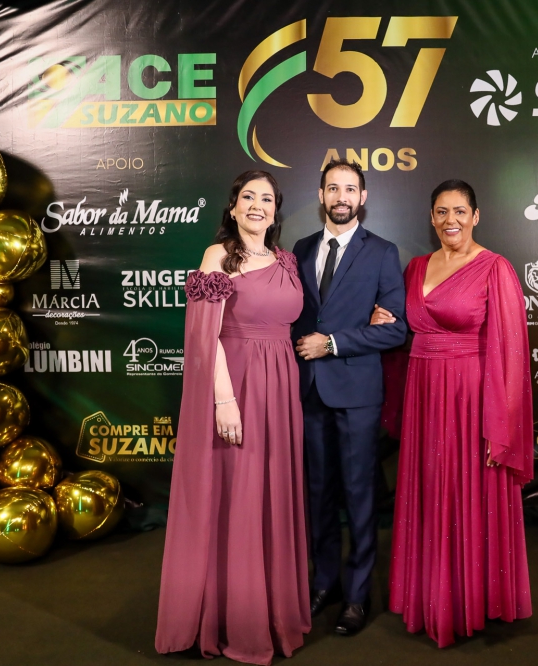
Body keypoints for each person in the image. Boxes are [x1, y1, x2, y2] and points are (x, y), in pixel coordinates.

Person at [156, 171, 310, 664]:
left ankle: (271, 612)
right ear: (233, 206)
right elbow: (205, 336)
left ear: (275, 210)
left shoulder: (286, 260)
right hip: (237, 384)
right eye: (248, 197)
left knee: (270, 493)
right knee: (238, 494)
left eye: (266, 199)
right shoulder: (217, 257)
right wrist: (224, 399)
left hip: (280, 389)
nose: (257, 206)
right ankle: (233, 619)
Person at [378, 179, 534, 648]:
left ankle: (470, 603)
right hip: (424, 397)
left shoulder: (495, 268)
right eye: (442, 212)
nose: (451, 220)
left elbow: (511, 354)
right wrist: (381, 320)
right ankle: (432, 598)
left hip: (470, 398)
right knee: (430, 492)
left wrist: (500, 426)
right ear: (431, 218)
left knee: (469, 493)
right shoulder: (416, 267)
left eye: (460, 211)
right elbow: (403, 329)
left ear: (476, 216)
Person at [292, 158, 407, 636]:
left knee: (359, 496)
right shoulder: (300, 249)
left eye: (350, 189)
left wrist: (335, 343)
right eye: (333, 188)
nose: (342, 197)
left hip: (357, 394)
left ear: (363, 197)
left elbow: (396, 328)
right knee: (317, 494)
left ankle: (357, 595)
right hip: (308, 391)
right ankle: (325, 582)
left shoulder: (381, 251)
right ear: (321, 195)